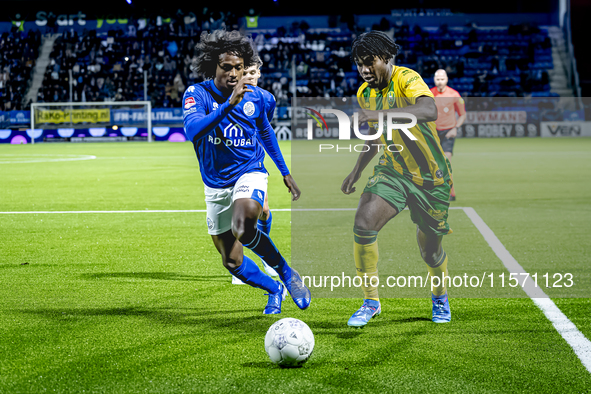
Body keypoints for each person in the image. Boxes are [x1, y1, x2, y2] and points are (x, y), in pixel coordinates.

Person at [182, 30, 311, 314]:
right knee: (231, 261)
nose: (234, 73)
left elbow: (265, 131)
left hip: (249, 171)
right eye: (226, 67)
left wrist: (284, 171)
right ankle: (273, 288)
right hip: (215, 184)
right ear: (213, 66)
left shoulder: (256, 98)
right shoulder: (197, 94)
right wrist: (228, 105)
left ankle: (286, 273)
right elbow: (192, 131)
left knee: (244, 224)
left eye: (238, 68)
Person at [341, 31, 453, 327]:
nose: (364, 69)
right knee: (363, 223)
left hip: (431, 179)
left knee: (430, 252)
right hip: (393, 171)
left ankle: (439, 295)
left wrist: (380, 116)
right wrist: (356, 171)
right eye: (359, 64)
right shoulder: (365, 93)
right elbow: (377, 139)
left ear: (385, 58)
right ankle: (370, 301)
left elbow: (429, 110)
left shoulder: (406, 78)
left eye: (369, 62)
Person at [231, 54, 279, 284]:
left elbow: (264, 128)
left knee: (265, 211)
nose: (248, 77)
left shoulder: (267, 99)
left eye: (252, 73)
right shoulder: (229, 97)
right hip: (232, 162)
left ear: (259, 73)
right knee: (241, 216)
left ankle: (265, 258)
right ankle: (240, 265)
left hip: (254, 161)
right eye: (244, 73)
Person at [430, 69, 466, 201]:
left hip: (448, 132)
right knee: (432, 163)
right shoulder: (429, 94)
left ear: (446, 79)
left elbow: (462, 115)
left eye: (442, 79)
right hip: (433, 132)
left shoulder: (454, 94)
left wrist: (455, 128)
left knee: (446, 161)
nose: (440, 82)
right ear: (434, 80)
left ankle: (451, 193)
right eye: (437, 79)